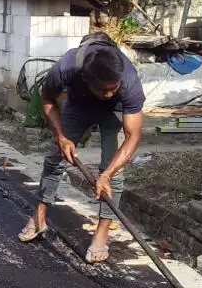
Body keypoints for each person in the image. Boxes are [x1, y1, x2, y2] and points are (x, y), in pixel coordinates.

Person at [18, 32, 145, 263]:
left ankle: (102, 234)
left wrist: (105, 174)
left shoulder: (129, 81)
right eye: (102, 90)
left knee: (113, 175)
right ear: (86, 79)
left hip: (115, 113)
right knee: (55, 159)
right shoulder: (66, 68)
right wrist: (60, 137)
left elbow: (133, 136)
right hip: (78, 105)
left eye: (112, 89)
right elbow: (47, 100)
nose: (108, 95)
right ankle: (39, 218)